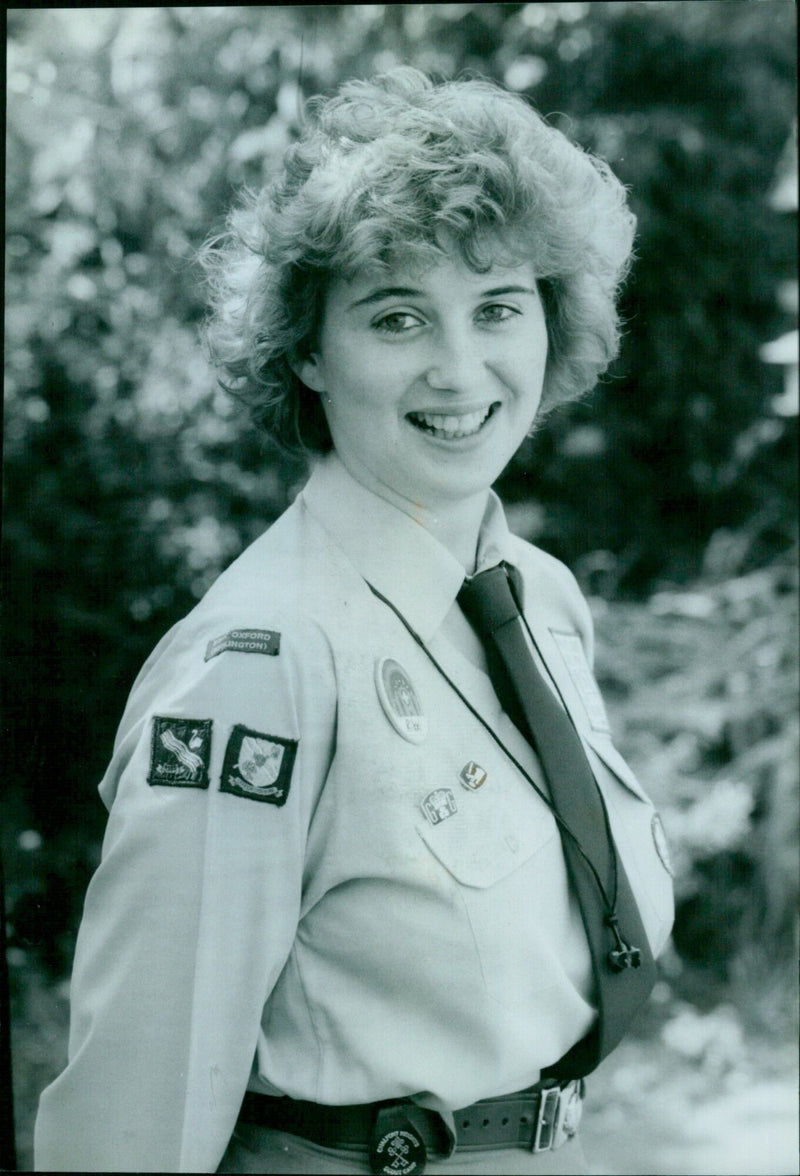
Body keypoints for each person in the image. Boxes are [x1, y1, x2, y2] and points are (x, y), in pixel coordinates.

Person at [34, 68, 674, 1175]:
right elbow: (132, 1121)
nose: (459, 369)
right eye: (396, 316)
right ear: (308, 352)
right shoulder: (262, 663)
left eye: (497, 309)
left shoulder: (539, 597)